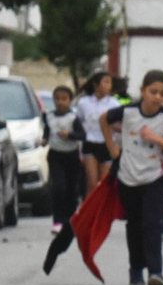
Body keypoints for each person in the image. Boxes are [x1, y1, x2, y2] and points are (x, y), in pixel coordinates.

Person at [102, 71, 163, 285]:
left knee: (153, 224)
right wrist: (113, 148)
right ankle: (136, 270)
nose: (157, 97)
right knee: (135, 226)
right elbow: (104, 119)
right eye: (153, 92)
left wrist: (156, 138)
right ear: (142, 91)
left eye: (162, 93)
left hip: (154, 178)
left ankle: (155, 272)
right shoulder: (128, 111)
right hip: (128, 178)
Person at [45, 85, 84, 234]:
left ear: (70, 100)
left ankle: (70, 220)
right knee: (58, 188)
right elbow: (47, 132)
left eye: (64, 99)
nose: (60, 102)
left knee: (71, 189)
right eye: (57, 99)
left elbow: (82, 135)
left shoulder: (73, 118)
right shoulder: (49, 116)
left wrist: (70, 135)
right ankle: (57, 221)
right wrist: (43, 140)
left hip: (71, 156)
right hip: (55, 155)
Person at [76, 71, 120, 192]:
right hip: (90, 143)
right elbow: (79, 121)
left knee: (103, 184)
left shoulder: (114, 104)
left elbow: (120, 124)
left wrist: (112, 127)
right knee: (92, 183)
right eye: (105, 82)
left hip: (107, 144)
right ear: (96, 84)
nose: (108, 86)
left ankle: (102, 205)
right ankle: (90, 204)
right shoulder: (84, 102)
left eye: (110, 83)